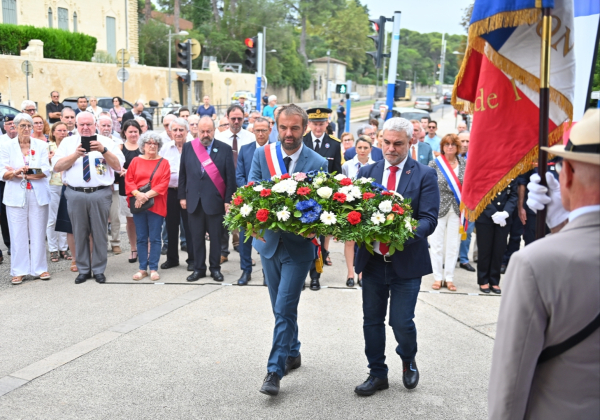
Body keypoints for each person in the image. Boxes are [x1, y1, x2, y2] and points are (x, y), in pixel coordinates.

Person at [488, 108, 600, 420]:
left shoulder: (536, 264)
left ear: (569, 175)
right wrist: (562, 227)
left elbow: (509, 387)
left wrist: (558, 232)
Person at [354, 117, 439, 396]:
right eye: (386, 142)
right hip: (373, 263)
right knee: (372, 320)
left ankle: (408, 358)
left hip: (406, 263)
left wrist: (401, 233)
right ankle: (377, 373)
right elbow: (353, 213)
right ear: (380, 141)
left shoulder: (424, 174)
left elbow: (429, 219)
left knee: (401, 321)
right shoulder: (366, 172)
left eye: (398, 143)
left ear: (410, 142)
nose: (391, 149)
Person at [248, 104, 328, 396]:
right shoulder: (262, 154)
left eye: (295, 128)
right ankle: (293, 351)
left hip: (298, 247)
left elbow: (320, 206)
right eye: (283, 127)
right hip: (268, 243)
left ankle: (274, 371)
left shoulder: (318, 161)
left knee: (284, 308)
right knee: (278, 309)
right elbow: (253, 192)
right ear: (276, 128)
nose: (288, 134)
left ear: (305, 128)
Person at [52, 111, 125, 284]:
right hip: (75, 193)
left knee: (99, 233)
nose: (85, 128)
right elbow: (56, 166)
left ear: (95, 125)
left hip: (100, 193)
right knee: (79, 233)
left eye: (89, 124)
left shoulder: (107, 142)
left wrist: (103, 150)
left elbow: (118, 166)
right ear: (76, 125)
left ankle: (99, 269)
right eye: (82, 124)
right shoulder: (68, 143)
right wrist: (75, 155)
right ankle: (83, 269)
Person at [179, 116, 236, 282]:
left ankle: (215, 269)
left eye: (208, 131)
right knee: (196, 238)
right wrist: (182, 196)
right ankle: (199, 269)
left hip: (215, 202)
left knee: (216, 238)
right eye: (202, 131)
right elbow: (182, 174)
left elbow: (230, 178)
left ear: (214, 131)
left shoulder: (224, 149)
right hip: (194, 201)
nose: (205, 134)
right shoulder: (189, 147)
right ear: (197, 130)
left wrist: (228, 200)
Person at [0, 113, 52, 285]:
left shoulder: (41, 145)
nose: (26, 129)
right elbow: (3, 172)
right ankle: (19, 270)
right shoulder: (6, 146)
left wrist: (21, 172)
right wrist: (15, 172)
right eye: (22, 125)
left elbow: (45, 171)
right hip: (15, 196)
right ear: (15, 127)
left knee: (38, 231)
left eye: (29, 126)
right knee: (17, 233)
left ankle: (40, 268)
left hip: (37, 195)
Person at [303, 107, 342, 289]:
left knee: (319, 239)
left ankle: (316, 276)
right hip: (302, 198)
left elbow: (336, 174)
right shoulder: (301, 142)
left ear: (327, 123)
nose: (318, 128)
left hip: (323, 200)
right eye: (315, 124)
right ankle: (301, 275)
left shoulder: (334, 144)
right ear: (309, 124)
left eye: (321, 124)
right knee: (301, 238)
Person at [125, 131, 171, 281]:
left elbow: (163, 184)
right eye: (149, 143)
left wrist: (143, 196)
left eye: (155, 143)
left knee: (156, 238)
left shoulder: (164, 163)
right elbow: (129, 179)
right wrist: (137, 194)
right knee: (142, 237)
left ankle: (153, 268)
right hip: (138, 203)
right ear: (143, 146)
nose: (152, 146)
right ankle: (142, 268)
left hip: (156, 204)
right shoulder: (135, 161)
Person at [215, 105, 256, 263]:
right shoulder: (219, 138)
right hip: (223, 184)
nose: (237, 121)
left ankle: (246, 256)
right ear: (227, 117)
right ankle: (223, 252)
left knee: (247, 220)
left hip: (244, 184)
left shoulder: (250, 137)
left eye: (240, 118)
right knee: (223, 220)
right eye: (233, 119)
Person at [235, 117, 271, 285]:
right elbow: (240, 175)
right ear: (253, 131)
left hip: (270, 201)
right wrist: (250, 194)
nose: (261, 133)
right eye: (257, 130)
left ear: (270, 130)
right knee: (245, 237)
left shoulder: (276, 150)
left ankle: (267, 273)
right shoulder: (245, 150)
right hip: (248, 201)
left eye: (264, 130)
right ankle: (246, 271)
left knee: (268, 238)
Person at [427, 134, 466, 292]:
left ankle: (449, 278)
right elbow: (428, 186)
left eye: (453, 144)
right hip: (438, 208)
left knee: (453, 244)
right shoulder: (434, 164)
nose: (450, 147)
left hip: (457, 208)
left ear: (457, 148)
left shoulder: (464, 163)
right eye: (447, 144)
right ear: (442, 147)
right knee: (436, 244)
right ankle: (438, 277)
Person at [159, 117, 195, 273]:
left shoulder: (194, 147)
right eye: (175, 130)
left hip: (189, 193)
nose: (178, 133)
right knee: (171, 226)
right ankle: (172, 258)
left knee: (190, 227)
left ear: (187, 131)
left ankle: (192, 260)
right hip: (170, 192)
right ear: (170, 132)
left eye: (181, 130)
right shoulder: (165, 148)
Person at [341, 135, 374, 287]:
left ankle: (361, 272)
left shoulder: (375, 165)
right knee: (349, 241)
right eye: (359, 147)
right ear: (355, 149)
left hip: (367, 206)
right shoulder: (347, 165)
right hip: (350, 205)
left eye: (365, 148)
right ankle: (349, 273)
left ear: (370, 149)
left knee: (362, 241)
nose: (362, 150)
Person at [475, 180, 517, 294]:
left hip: (504, 218)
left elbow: (513, 195)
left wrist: (506, 213)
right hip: (485, 216)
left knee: (499, 250)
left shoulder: (511, 173)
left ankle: (494, 280)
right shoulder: (484, 172)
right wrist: (493, 213)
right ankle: (483, 280)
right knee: (485, 250)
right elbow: (480, 192)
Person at [118, 120, 143, 263]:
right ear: (124, 133)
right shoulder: (120, 148)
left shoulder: (145, 146)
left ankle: (145, 247)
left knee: (145, 219)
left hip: (144, 189)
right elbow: (116, 167)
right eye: (130, 131)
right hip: (126, 189)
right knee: (131, 220)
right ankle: (133, 248)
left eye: (135, 131)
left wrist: (130, 172)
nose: (133, 134)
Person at [47, 122, 71, 263]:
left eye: (65, 130)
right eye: (60, 130)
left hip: (67, 184)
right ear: (54, 132)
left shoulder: (69, 146)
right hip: (52, 185)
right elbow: (40, 167)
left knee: (64, 217)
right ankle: (53, 249)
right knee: (52, 218)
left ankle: (63, 247)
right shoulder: (48, 147)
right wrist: (49, 160)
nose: (63, 132)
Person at [457, 131, 476, 272]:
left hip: (470, 202)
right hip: (452, 202)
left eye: (467, 141)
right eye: (461, 141)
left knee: (467, 231)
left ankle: (463, 258)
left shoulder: (477, 158)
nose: (464, 144)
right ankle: (450, 257)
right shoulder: (450, 159)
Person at [0, 116, 17, 261]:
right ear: (4, 127)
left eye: (13, 123)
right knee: (4, 214)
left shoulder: (24, 140)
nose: (11, 126)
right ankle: (9, 243)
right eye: (8, 124)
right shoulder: (2, 142)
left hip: (21, 179)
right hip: (4, 180)